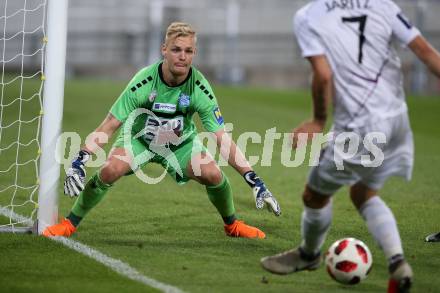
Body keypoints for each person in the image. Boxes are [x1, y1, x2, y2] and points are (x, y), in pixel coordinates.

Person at [260, 0, 440, 292]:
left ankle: (309, 254)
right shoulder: (382, 5)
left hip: (360, 127)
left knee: (313, 196)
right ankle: (397, 264)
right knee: (363, 192)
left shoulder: (309, 16)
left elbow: (323, 75)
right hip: (397, 121)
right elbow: (425, 51)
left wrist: (318, 120)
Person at [43, 22, 280, 239]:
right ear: (163, 50)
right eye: (176, 49)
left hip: (180, 145)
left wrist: (255, 181)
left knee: (213, 174)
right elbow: (110, 124)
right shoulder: (143, 82)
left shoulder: (200, 88)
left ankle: (232, 226)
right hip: (139, 140)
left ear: (194, 54)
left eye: (188, 51)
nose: (182, 56)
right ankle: (69, 223)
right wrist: (80, 159)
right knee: (110, 169)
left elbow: (222, 139)